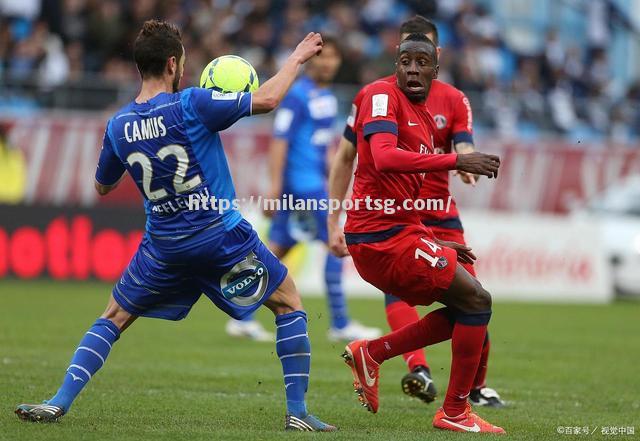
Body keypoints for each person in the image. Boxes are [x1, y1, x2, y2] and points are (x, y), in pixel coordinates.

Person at [15, 20, 336, 432]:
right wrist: (297, 56)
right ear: (172, 64)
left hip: (164, 246)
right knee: (289, 302)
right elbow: (269, 99)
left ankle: (58, 401)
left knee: (112, 317)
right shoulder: (193, 104)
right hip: (220, 237)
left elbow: (102, 186)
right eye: (181, 61)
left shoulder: (119, 125)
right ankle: (298, 412)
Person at [328, 15, 504, 407]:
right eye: (406, 58)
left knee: (471, 304)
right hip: (383, 233)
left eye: (421, 60)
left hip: (420, 222)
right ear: (396, 58)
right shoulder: (376, 95)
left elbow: (460, 146)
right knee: (474, 301)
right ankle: (435, 385)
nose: (412, 67)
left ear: (436, 61)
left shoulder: (439, 108)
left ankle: (377, 356)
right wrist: (332, 220)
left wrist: (435, 238)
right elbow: (374, 158)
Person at [227, 37, 381, 343]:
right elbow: (279, 140)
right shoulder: (297, 95)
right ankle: (339, 323)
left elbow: (321, 143)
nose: (328, 63)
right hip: (303, 186)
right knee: (336, 242)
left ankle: (241, 316)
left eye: (334, 57)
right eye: (323, 57)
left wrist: (331, 171)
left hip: (313, 183)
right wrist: (273, 187)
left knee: (277, 249)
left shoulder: (326, 97)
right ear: (312, 60)